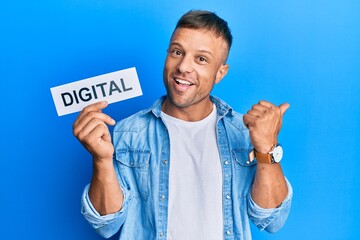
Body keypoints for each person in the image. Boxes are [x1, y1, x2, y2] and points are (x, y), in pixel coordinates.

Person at [73, 10, 292, 240]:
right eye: (177, 52)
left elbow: (271, 220)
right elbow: (106, 224)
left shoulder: (244, 132)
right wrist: (101, 160)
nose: (183, 67)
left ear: (220, 73)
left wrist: (267, 149)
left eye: (201, 59)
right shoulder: (129, 132)